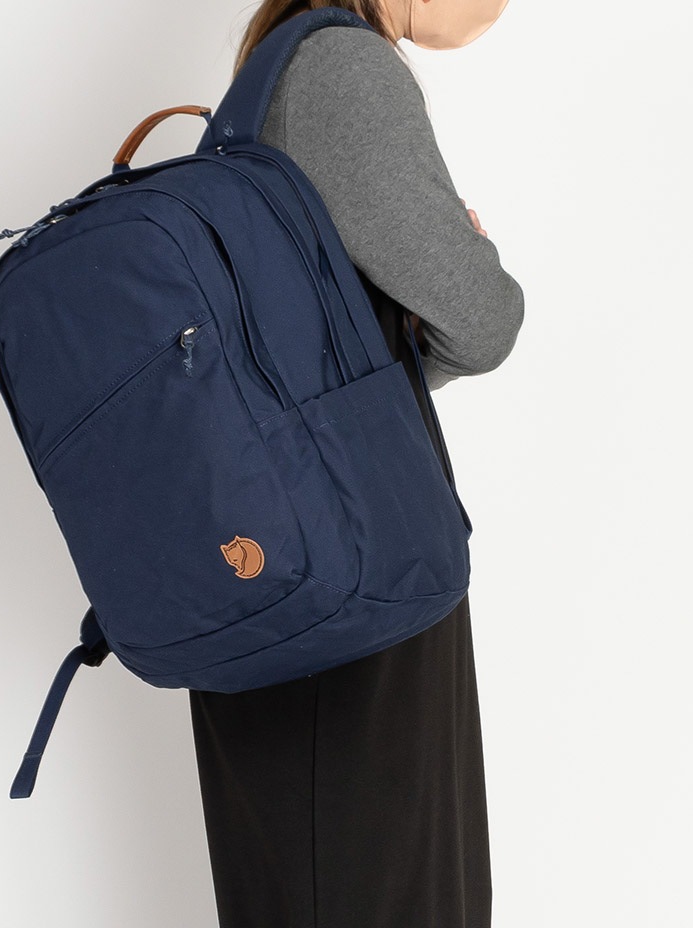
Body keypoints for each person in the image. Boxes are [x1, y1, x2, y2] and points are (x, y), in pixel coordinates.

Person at [188, 2, 524, 926]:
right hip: (357, 590)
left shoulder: (268, 77)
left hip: (283, 583)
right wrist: (470, 259)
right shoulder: (343, 69)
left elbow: (312, 365)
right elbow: (482, 317)